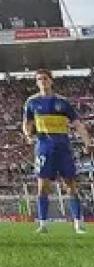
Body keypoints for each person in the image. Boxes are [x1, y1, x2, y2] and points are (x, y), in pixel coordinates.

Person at [22, 69, 89, 234]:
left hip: (63, 146)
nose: (42, 81)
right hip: (44, 147)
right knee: (42, 186)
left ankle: (78, 224)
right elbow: (26, 123)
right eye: (39, 79)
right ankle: (43, 224)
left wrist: (87, 141)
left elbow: (77, 124)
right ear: (36, 83)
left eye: (45, 78)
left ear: (51, 81)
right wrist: (28, 135)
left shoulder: (63, 102)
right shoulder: (31, 102)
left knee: (70, 185)